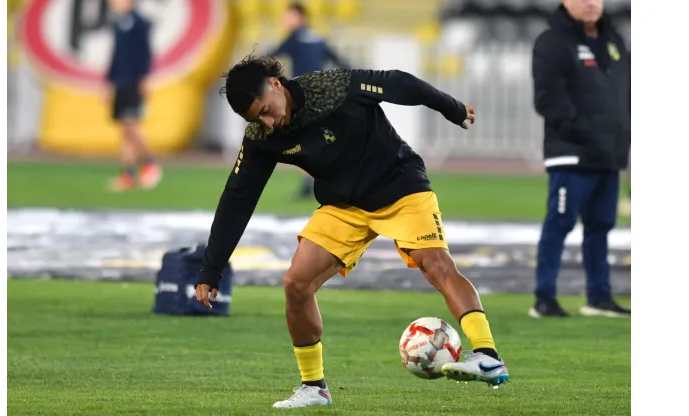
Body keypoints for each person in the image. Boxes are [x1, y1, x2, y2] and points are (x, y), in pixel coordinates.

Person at [194, 55, 509, 409]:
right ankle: (314, 387)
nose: (269, 121)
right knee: (296, 283)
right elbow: (238, 196)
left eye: (267, 109)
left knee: (435, 264)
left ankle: (486, 355)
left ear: (276, 84)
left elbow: (398, 81)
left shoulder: (332, 89)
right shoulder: (262, 136)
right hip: (343, 208)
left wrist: (450, 108)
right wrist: (212, 267)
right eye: (258, 118)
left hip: (400, 187)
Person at [530, 0, 630, 318]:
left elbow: (624, 95)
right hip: (571, 154)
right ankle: (544, 299)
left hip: (608, 155)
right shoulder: (553, 42)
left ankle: (598, 297)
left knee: (601, 226)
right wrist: (583, 132)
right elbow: (548, 98)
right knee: (559, 224)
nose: (591, 3)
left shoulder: (614, 42)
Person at [265, 2, 352, 200]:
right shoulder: (318, 37)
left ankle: (314, 182)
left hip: (303, 96)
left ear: (300, 17)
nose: (285, 21)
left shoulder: (294, 38)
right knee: (319, 139)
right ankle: (321, 181)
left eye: (289, 16)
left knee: (301, 139)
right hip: (322, 94)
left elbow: (271, 55)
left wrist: (248, 68)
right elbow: (339, 60)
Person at [105, 0, 162, 191]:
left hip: (134, 82)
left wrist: (145, 78)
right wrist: (110, 82)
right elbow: (115, 56)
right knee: (125, 129)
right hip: (120, 82)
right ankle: (128, 173)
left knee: (131, 124)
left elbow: (145, 53)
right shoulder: (119, 23)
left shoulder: (140, 23)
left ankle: (151, 163)